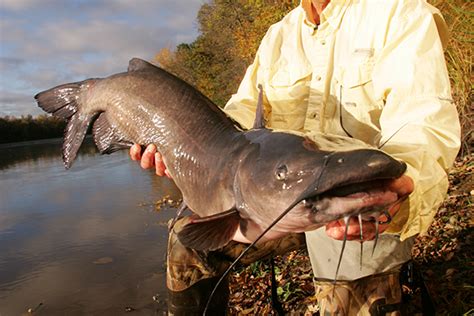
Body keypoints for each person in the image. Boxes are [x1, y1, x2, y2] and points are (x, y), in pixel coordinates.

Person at [131, 0, 460, 314]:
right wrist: (177, 143)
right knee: (188, 237)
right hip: (277, 200)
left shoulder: (399, 14)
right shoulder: (279, 36)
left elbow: (423, 122)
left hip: (356, 209)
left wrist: (401, 188)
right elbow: (239, 119)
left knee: (349, 301)